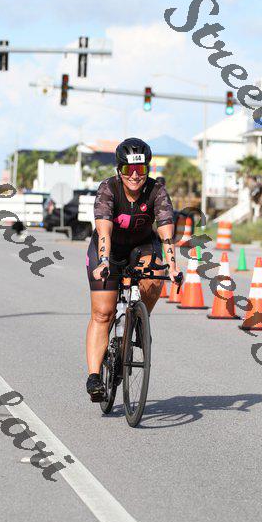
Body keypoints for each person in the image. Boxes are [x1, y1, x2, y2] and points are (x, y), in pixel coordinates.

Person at [85, 137, 180, 400]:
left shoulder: (156, 190)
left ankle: (137, 320)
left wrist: (173, 267)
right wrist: (104, 262)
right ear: (120, 170)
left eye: (141, 169)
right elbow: (104, 231)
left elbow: (166, 233)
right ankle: (94, 377)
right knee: (103, 313)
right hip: (109, 249)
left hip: (142, 247)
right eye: (129, 169)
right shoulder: (108, 189)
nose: (135, 176)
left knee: (156, 275)